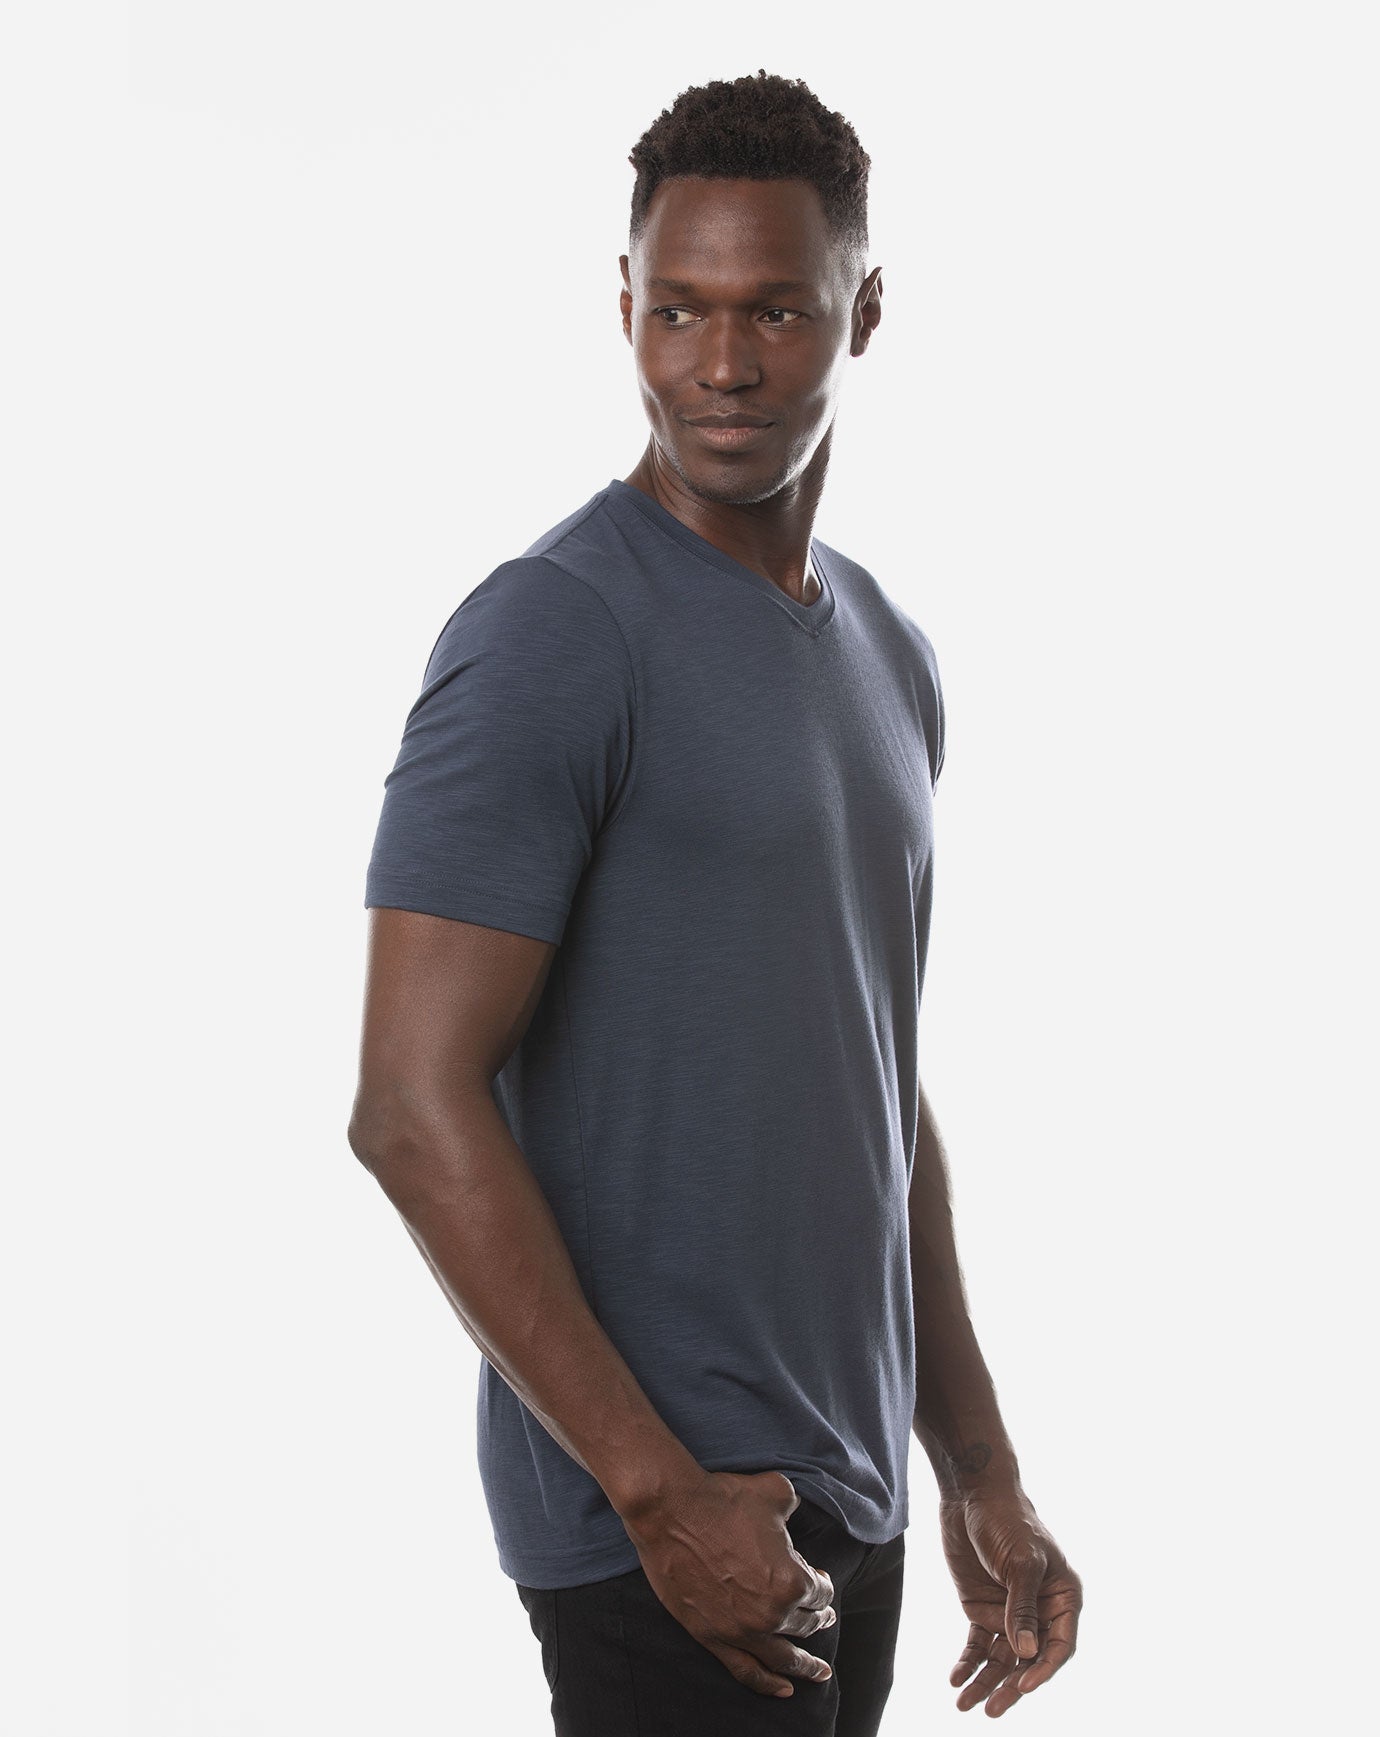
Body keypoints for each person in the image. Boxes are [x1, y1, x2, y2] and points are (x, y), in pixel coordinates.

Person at [348, 69, 1082, 1737]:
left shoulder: (889, 653)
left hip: (845, 1496)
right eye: (677, 309)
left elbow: (876, 1085)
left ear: (865, 315)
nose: (722, 365)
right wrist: (656, 1492)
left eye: (777, 312)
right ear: (623, 304)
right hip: (660, 1520)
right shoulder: (554, 632)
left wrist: (977, 1466)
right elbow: (406, 1101)